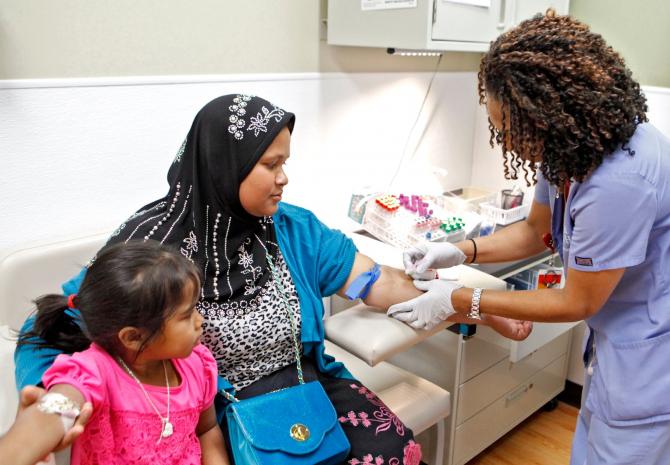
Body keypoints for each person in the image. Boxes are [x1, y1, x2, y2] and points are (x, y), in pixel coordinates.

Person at [14, 94, 531, 464]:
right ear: (225, 163)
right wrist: (47, 399)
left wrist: (480, 308)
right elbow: (55, 325)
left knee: (395, 450)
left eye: (285, 162)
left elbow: (380, 283)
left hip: (304, 381)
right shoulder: (150, 247)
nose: (284, 177)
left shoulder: (293, 229)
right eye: (270, 163)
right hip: (211, 411)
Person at [388, 10, 670, 465]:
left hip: (651, 360)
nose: (506, 139)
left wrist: (459, 299)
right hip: (618, 349)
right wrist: (457, 250)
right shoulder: (569, 147)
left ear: (547, 112)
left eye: (507, 127)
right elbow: (534, 231)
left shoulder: (620, 179)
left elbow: (575, 302)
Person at [2, 241, 229, 465]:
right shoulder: (91, 373)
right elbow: (55, 411)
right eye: (187, 315)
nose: (200, 321)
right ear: (133, 337)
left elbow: (206, 430)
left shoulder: (197, 364)